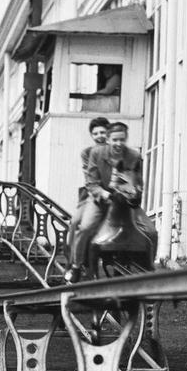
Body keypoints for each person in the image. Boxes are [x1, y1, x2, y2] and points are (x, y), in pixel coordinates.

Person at [65, 120, 149, 283]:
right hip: (100, 198)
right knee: (86, 226)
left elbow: (138, 182)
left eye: (122, 139)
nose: (118, 143)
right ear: (109, 139)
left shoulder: (134, 156)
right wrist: (104, 194)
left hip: (123, 200)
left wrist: (134, 193)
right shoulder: (94, 153)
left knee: (148, 230)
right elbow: (91, 182)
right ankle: (76, 265)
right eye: (115, 140)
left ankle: (146, 266)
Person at [63, 116, 111, 277]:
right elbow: (90, 178)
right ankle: (72, 262)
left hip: (115, 196)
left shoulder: (116, 151)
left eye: (103, 132)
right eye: (96, 133)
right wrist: (101, 192)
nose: (100, 136)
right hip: (92, 194)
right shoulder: (87, 153)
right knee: (76, 222)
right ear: (92, 135)